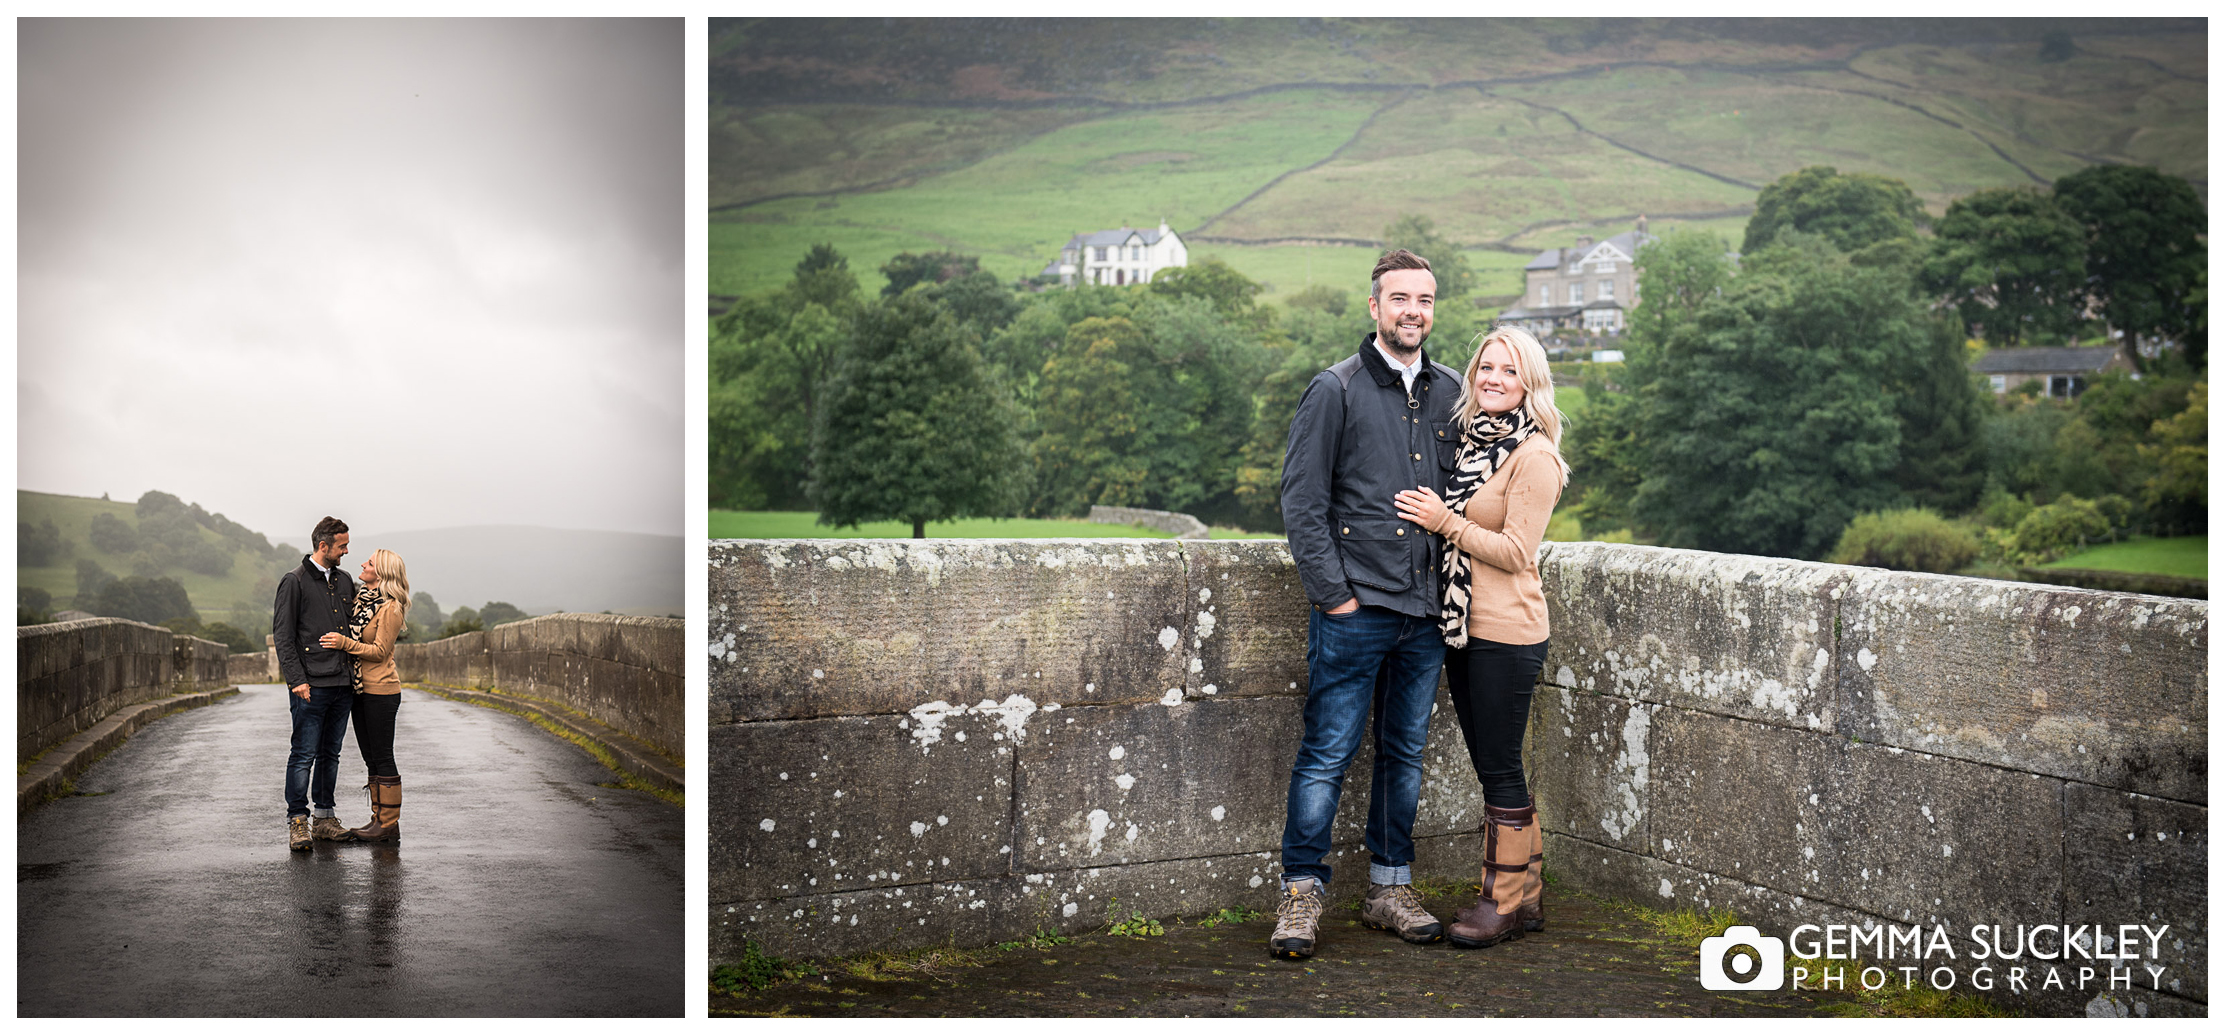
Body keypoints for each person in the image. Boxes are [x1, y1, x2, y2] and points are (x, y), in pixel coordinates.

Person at [1271, 249, 1464, 959]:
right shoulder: (1336, 389)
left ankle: (1389, 889)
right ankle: (1300, 895)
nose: (1415, 310)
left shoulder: (1452, 391)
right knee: (1326, 754)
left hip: (1425, 616)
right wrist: (1335, 598)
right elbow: (1301, 500)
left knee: (1404, 754)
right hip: (1357, 609)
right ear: (1375, 308)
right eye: (1401, 298)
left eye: (1427, 299)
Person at [1392, 325, 1569, 949]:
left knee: (1497, 769)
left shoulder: (1534, 456)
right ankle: (1530, 898)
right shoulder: (1472, 443)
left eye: (1508, 370)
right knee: (1498, 764)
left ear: (1530, 384)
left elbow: (1519, 553)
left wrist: (1446, 523)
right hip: (1466, 628)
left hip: (1509, 634)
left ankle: (1500, 900)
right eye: (1485, 367)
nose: (1493, 378)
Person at [274, 515, 357, 851]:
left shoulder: (346, 580)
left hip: (342, 683)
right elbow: (283, 635)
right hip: (310, 685)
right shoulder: (293, 582)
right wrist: (296, 680)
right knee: (304, 754)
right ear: (323, 546)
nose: (346, 551)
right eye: (342, 546)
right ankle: (298, 821)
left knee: (330, 754)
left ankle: (325, 818)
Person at [321, 548, 410, 843]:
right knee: (370, 758)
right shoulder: (361, 600)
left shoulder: (391, 608)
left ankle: (388, 825)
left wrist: (345, 644)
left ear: (382, 571)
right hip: (359, 689)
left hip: (381, 691)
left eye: (370, 562)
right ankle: (378, 820)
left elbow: (380, 651)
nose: (362, 563)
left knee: (383, 757)